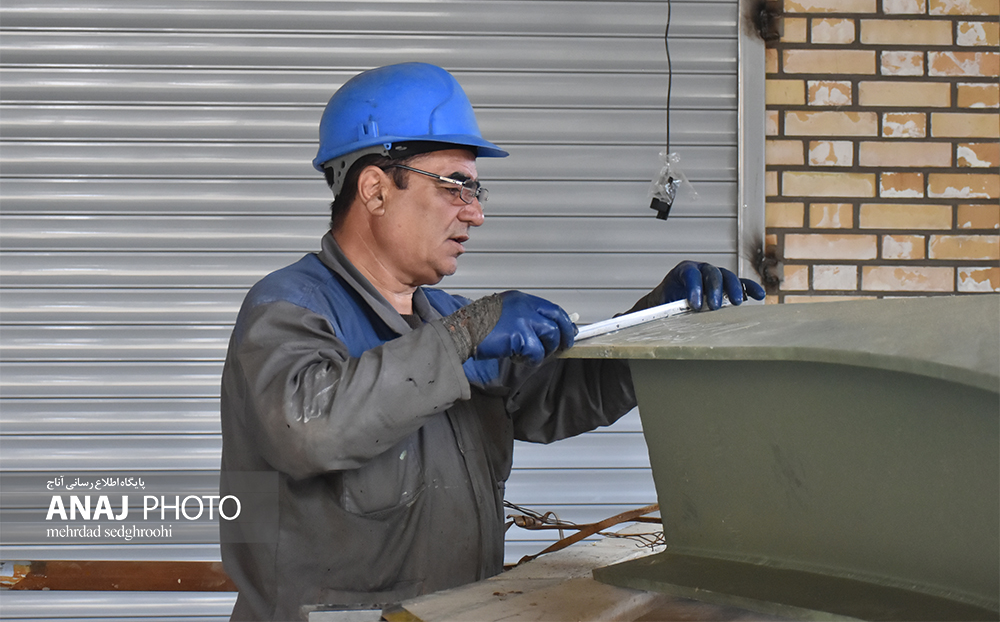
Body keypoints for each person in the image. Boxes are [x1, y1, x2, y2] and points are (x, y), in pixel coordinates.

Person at [219, 62, 764, 621]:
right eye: (454, 185)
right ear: (376, 190)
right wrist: (463, 337)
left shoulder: (444, 318)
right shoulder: (289, 308)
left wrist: (657, 319)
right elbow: (310, 429)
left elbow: (560, 397)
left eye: (476, 190)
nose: (475, 213)